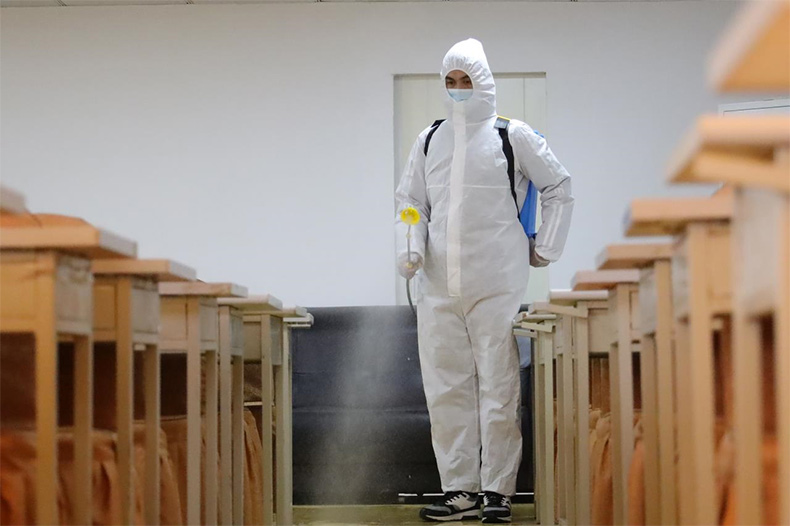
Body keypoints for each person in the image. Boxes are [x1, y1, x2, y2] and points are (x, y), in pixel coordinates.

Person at [394, 38, 574, 523]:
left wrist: (546, 246)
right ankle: (460, 490)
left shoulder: (511, 136)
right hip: (438, 284)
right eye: (450, 81)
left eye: (466, 80)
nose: (458, 89)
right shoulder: (429, 139)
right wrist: (409, 246)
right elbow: (410, 202)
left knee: (498, 386)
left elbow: (558, 185)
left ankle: (498, 491)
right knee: (446, 388)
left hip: (496, 281)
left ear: (484, 83)